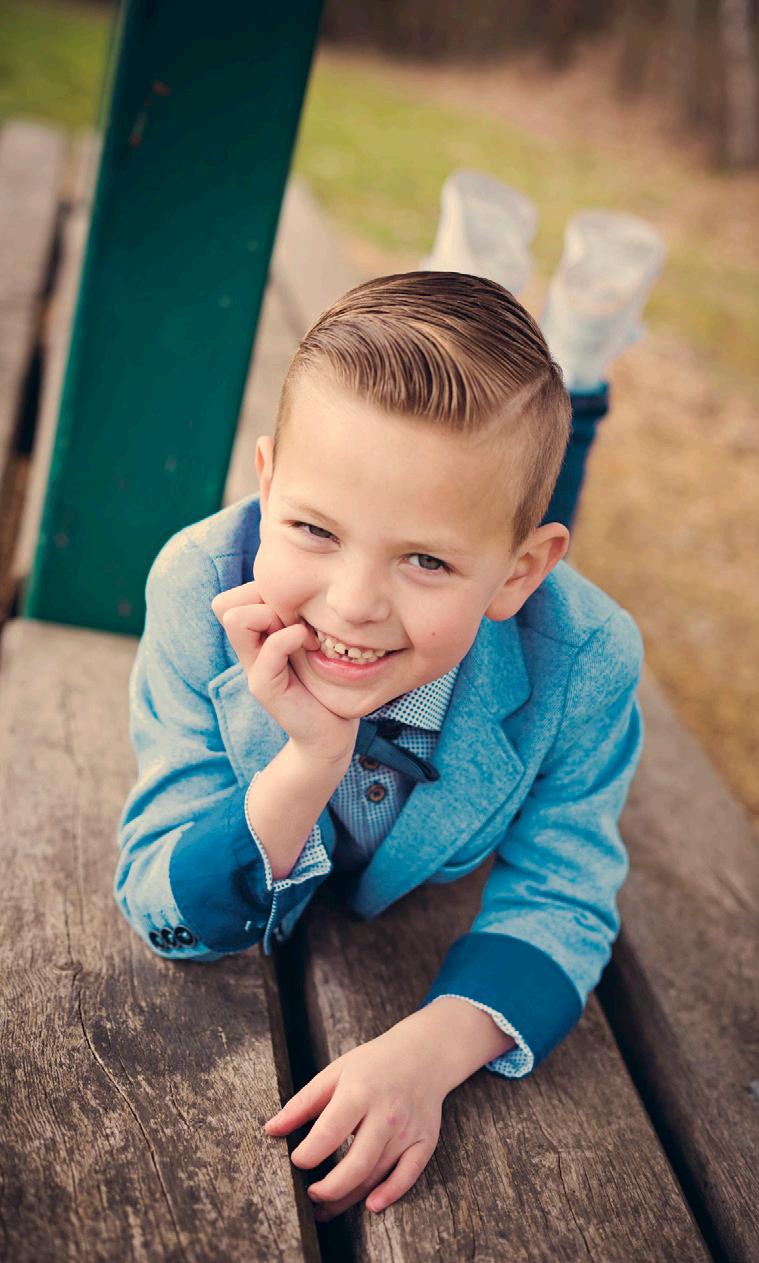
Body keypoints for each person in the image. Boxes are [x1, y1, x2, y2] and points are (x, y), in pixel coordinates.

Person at [114, 269, 646, 1222]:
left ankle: (583, 358)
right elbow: (158, 899)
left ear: (520, 573)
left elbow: (565, 893)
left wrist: (430, 1050)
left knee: (526, 473)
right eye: (313, 529)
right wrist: (309, 761)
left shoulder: (588, 659)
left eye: (425, 559)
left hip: (524, 608)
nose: (353, 603)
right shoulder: (195, 585)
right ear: (266, 484)